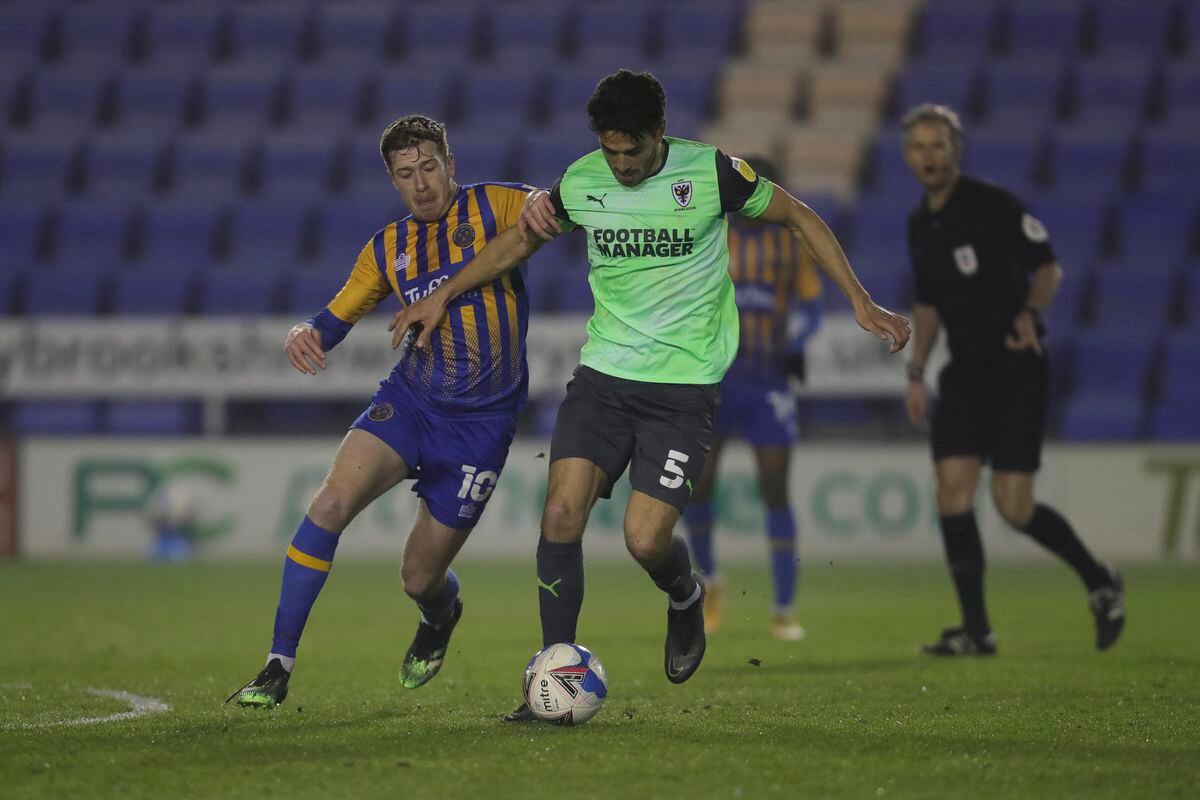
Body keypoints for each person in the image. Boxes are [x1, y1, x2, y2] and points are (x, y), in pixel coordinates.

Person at [390, 70, 910, 721]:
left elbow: (797, 217)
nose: (623, 165)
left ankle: (685, 596)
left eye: (633, 151)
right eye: (611, 152)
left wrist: (861, 302)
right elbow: (517, 242)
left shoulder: (713, 175)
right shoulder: (580, 183)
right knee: (559, 518)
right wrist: (443, 294)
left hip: (684, 392)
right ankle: (555, 674)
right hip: (604, 380)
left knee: (644, 540)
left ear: (660, 134)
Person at [227, 115, 534, 707]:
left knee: (419, 577)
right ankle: (277, 664)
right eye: (405, 174)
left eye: (428, 167)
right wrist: (304, 330)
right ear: (392, 182)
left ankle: (440, 616)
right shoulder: (387, 249)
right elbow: (334, 318)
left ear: (450, 165)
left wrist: (550, 207)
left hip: (482, 426)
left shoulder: (498, 205)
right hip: (412, 401)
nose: (419, 183)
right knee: (330, 502)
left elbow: (554, 206)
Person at [900, 103, 1125, 656]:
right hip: (964, 374)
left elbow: (1047, 265)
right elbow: (928, 305)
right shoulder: (918, 224)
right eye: (919, 147)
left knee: (1013, 506)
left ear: (957, 150)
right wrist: (917, 368)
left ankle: (1099, 580)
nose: (929, 156)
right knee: (952, 490)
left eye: (938, 145)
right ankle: (977, 630)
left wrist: (1030, 314)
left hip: (1016, 367)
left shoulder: (993, 205)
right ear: (908, 157)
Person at [680, 156, 822, 642]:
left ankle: (784, 607)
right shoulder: (710, 235)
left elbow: (811, 306)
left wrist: (797, 344)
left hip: (767, 383)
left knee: (775, 490)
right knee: (696, 489)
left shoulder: (789, 243)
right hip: (715, 379)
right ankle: (711, 581)